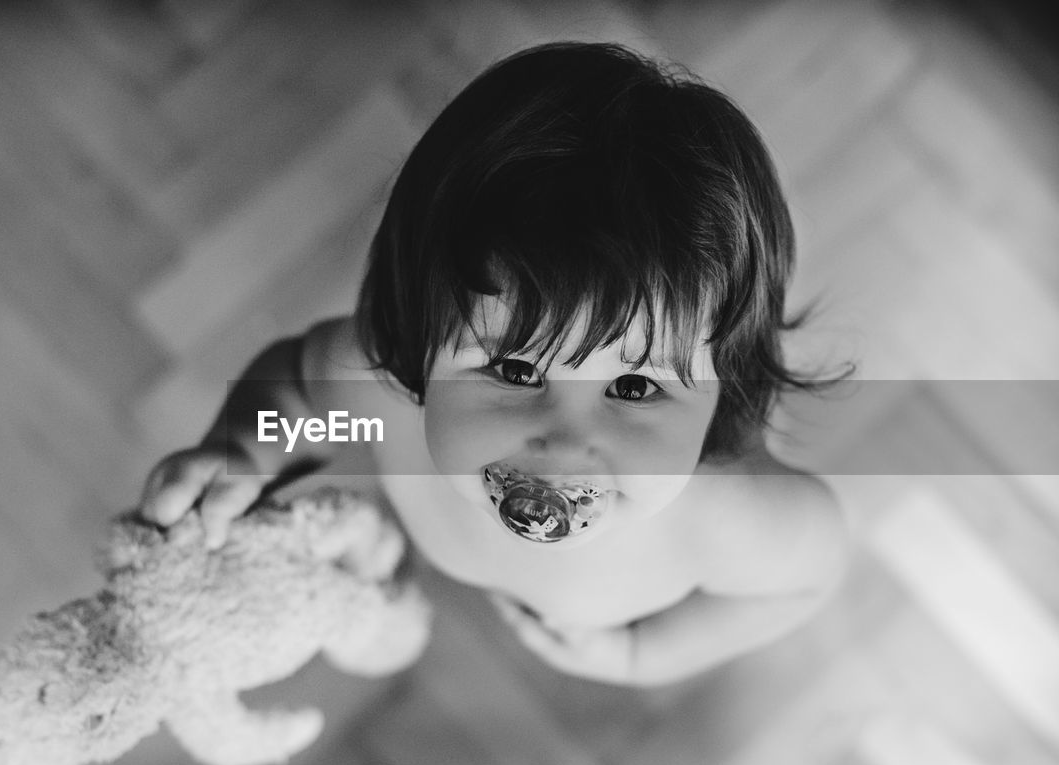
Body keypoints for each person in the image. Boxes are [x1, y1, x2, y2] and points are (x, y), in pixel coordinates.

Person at [139, 42, 850, 686]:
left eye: (635, 386)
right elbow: (298, 405)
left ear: (725, 383)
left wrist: (647, 654)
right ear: (418, 338)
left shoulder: (727, 518)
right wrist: (244, 453)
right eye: (514, 372)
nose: (567, 443)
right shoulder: (377, 394)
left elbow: (803, 582)